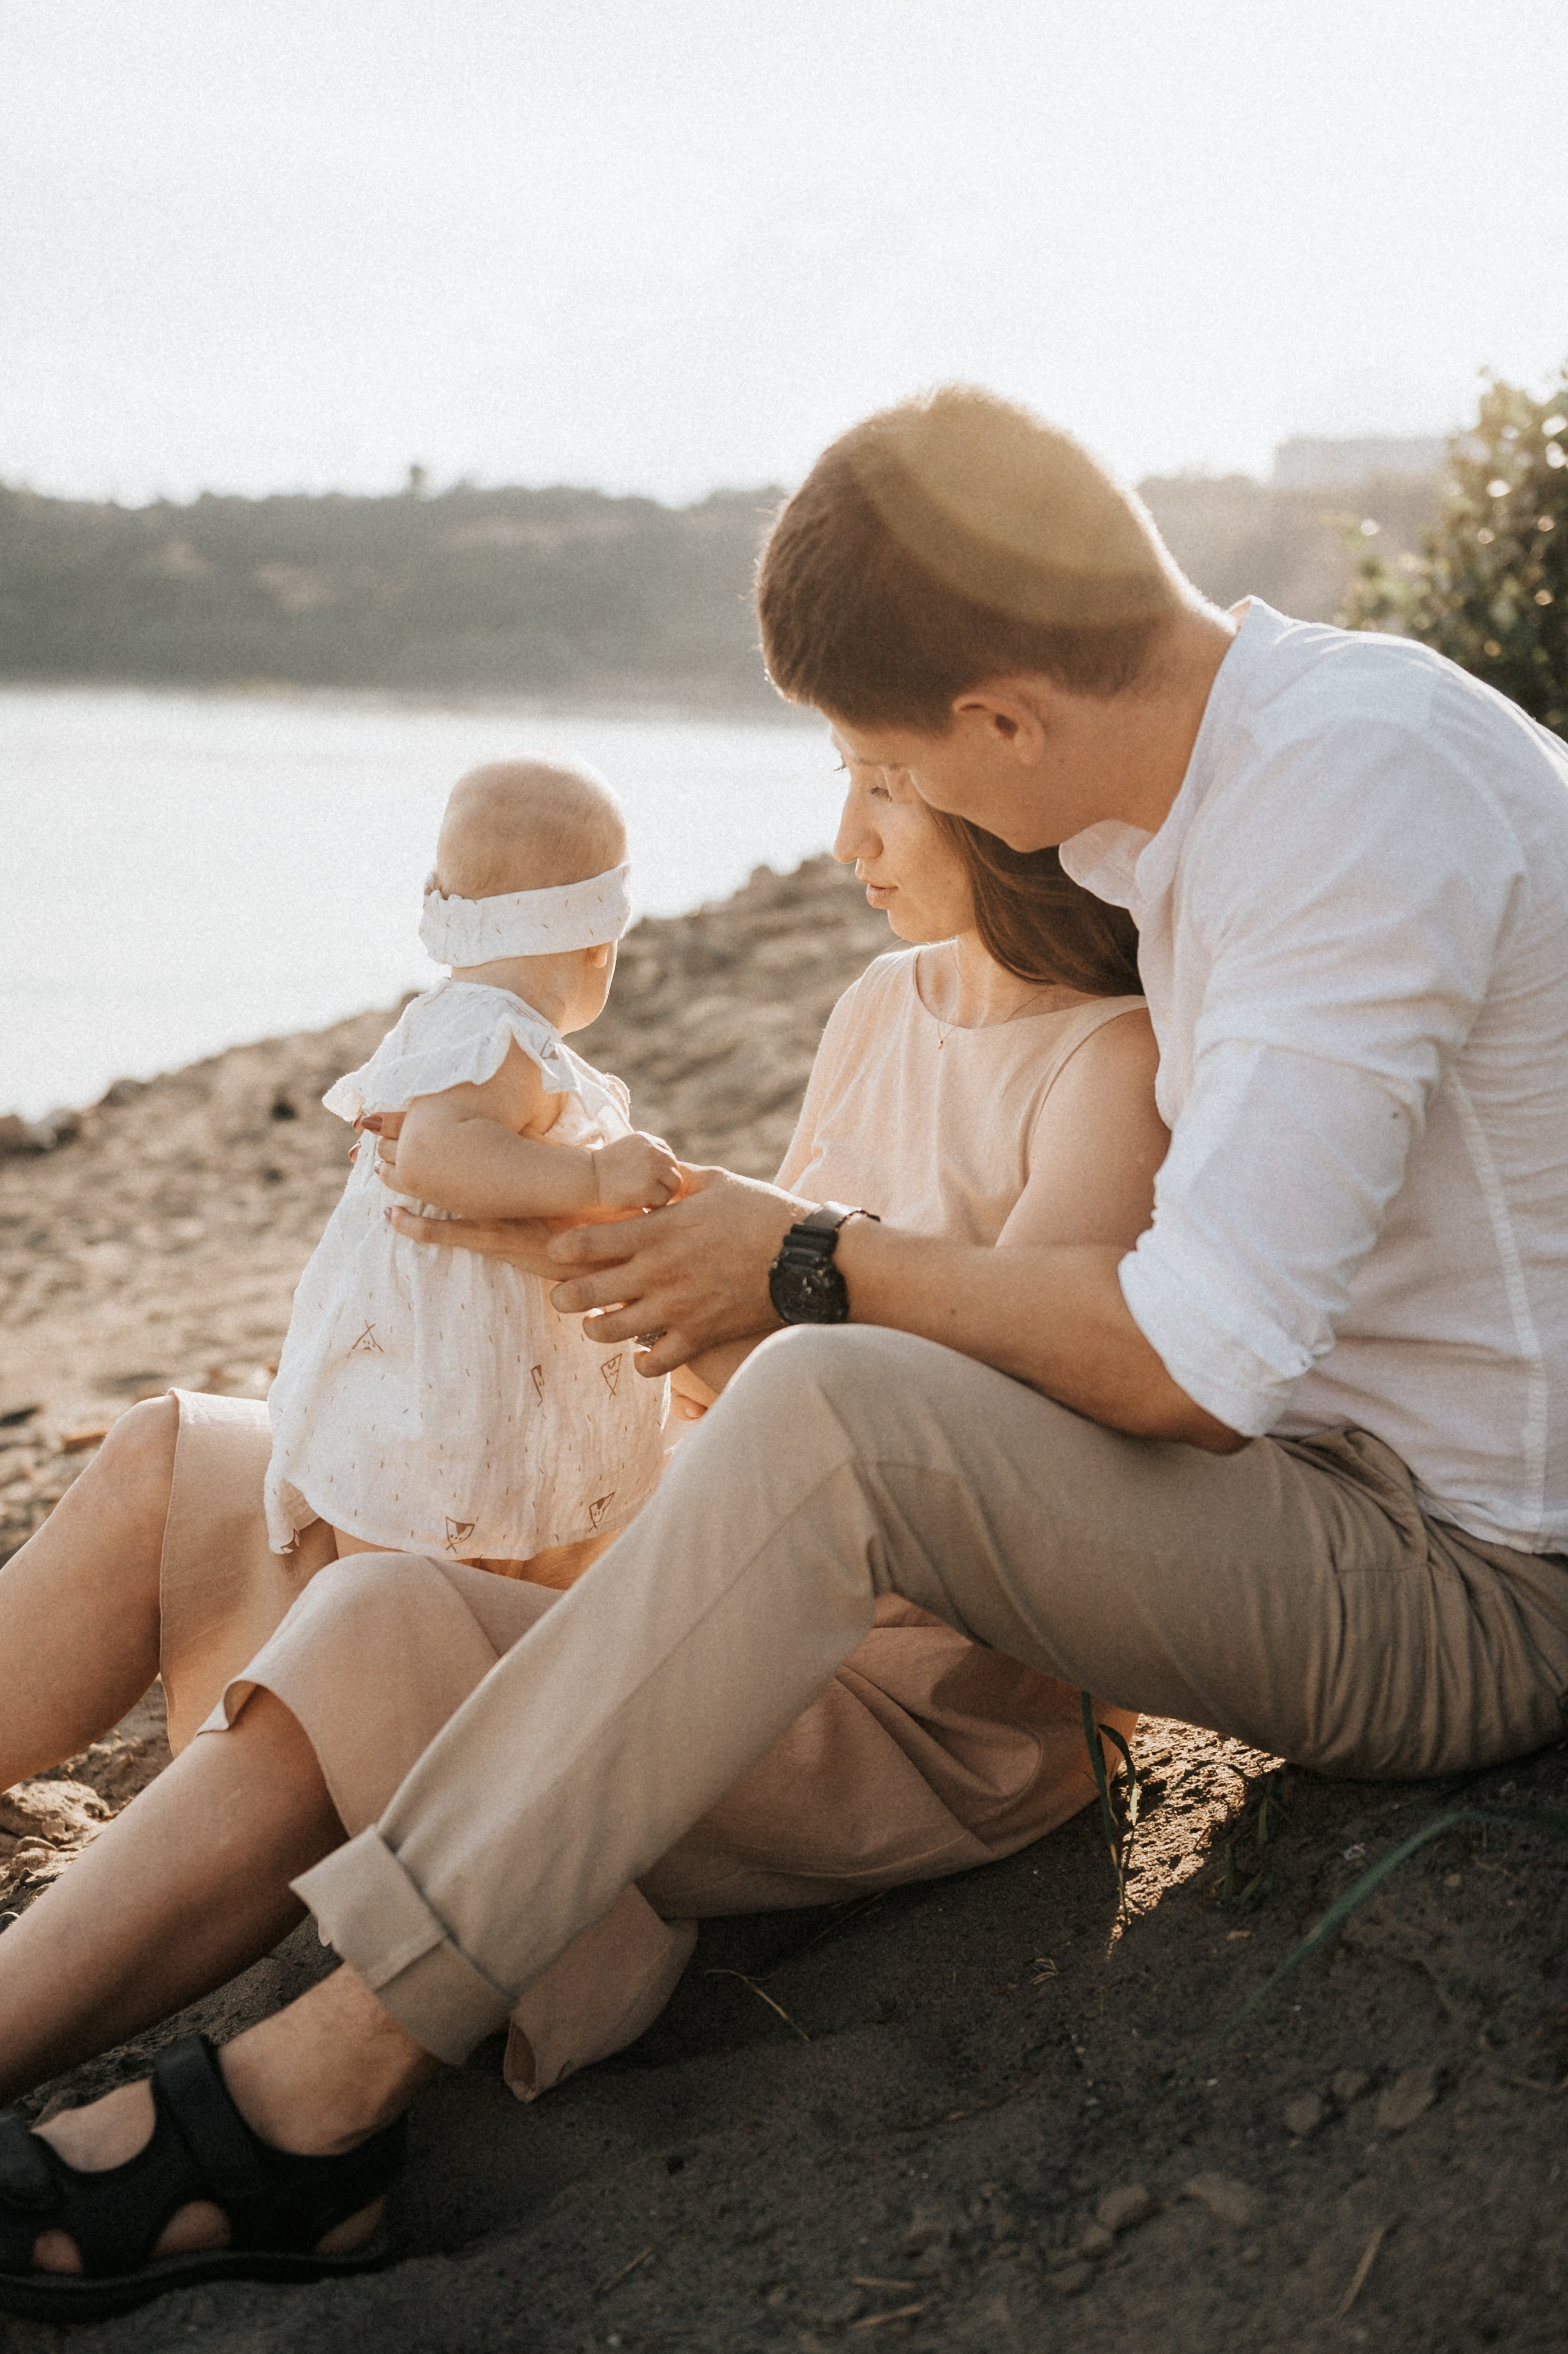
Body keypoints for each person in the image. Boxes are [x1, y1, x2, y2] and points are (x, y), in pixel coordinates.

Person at [5, 383, 1567, 2314]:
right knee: (262, 1457)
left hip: (1468, 1571)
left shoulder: (1345, 804)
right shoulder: (1220, 800)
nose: (852, 828)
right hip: (1262, 1506)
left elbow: (1186, 1361)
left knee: (811, 1399)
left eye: (879, 764)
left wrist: (808, 1259)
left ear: (997, 723)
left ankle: (315, 2093)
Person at [0, 710, 1160, 2311]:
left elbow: (1028, 1442)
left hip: (876, 1682)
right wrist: (601, 1270)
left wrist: (734, 1291)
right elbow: (754, 1345)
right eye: (849, 780)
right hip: (720, 1537)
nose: (846, 839)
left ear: (1016, 789)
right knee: (186, 1453)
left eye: (886, 788)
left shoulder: (1114, 1062)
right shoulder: (885, 1002)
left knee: (385, 1613)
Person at [265, 756, 677, 1586]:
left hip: (449, 1382)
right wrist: (595, 1182)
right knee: (425, 1581)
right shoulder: (500, 1039)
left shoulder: (452, 1028)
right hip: (450, 1406)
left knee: (426, 1579)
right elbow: (434, 1154)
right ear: (601, 943)